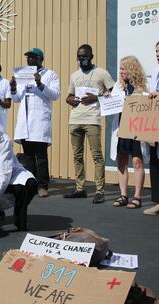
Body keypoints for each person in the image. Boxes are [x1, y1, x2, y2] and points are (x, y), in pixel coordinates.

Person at [65, 44, 115, 203]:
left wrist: (97, 97)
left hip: (92, 120)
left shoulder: (101, 73)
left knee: (97, 156)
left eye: (85, 56)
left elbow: (114, 92)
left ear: (91, 57)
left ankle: (99, 191)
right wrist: (70, 100)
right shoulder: (74, 75)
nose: (82, 59)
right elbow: (68, 96)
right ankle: (80, 188)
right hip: (75, 119)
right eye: (79, 56)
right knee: (77, 156)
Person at [10, 48, 60, 198]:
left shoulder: (50, 74)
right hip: (25, 121)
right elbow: (17, 98)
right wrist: (13, 88)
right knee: (28, 156)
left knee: (41, 155)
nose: (29, 60)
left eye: (33, 58)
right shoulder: (23, 75)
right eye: (28, 58)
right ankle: (31, 184)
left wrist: (40, 83)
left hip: (39, 121)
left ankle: (43, 186)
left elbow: (55, 95)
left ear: (40, 59)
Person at [109, 56, 148, 209]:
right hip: (122, 128)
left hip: (137, 129)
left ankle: (137, 196)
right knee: (121, 161)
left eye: (123, 69)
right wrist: (108, 98)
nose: (121, 72)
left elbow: (147, 105)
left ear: (132, 69)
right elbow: (112, 104)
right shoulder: (118, 86)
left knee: (137, 161)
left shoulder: (142, 86)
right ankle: (123, 195)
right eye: (120, 69)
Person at [144, 41, 159, 216]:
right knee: (155, 162)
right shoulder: (155, 71)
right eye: (156, 51)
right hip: (154, 124)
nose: (158, 54)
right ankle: (157, 202)